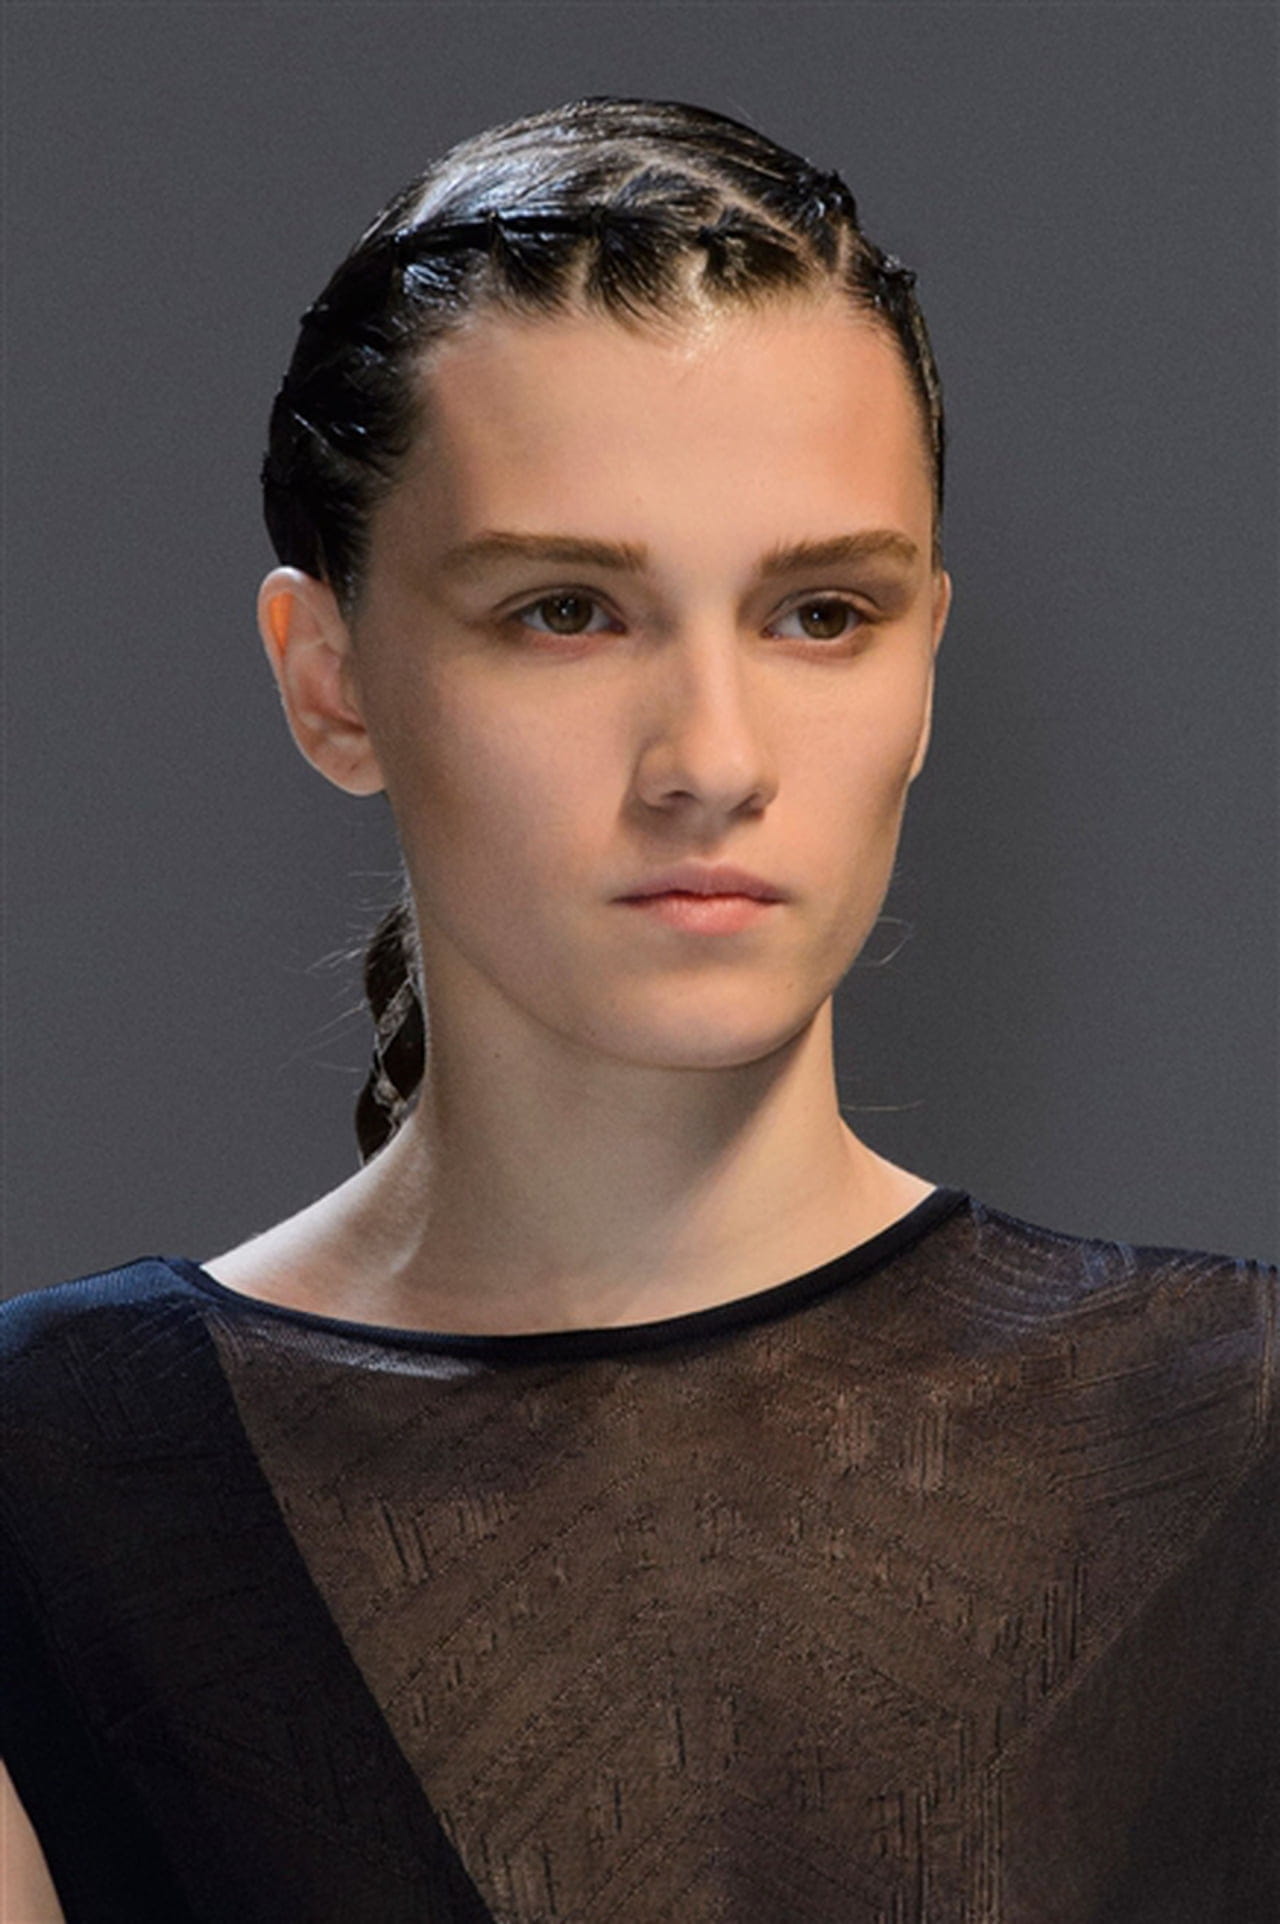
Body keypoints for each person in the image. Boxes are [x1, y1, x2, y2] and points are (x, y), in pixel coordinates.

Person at [1, 95, 1275, 1924]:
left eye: (820, 613)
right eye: (566, 611)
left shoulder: (1234, 1433)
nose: (712, 761)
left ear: (924, 667)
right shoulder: (55, 1483)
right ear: (332, 680)